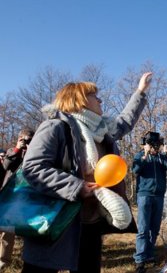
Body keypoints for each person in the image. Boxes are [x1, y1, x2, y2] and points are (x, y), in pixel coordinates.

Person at [20, 72, 152, 273]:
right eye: (94, 96)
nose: (100, 99)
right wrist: (77, 186)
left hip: (90, 222)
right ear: (79, 100)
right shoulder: (55, 127)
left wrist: (140, 92)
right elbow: (33, 168)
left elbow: (124, 122)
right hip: (55, 221)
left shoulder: (101, 131)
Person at [132, 131, 167, 273]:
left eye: (157, 145)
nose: (155, 148)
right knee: (143, 228)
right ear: (147, 145)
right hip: (145, 195)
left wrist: (166, 154)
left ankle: (149, 255)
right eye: (152, 145)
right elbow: (136, 170)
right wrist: (145, 155)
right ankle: (140, 259)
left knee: (154, 229)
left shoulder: (161, 158)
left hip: (159, 196)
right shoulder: (140, 156)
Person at [0, 129, 34, 269]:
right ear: (19, 139)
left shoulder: (35, 153)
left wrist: (32, 150)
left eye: (30, 140)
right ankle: (3, 261)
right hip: (7, 194)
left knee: (11, 232)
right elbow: (5, 166)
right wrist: (17, 150)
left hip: (22, 198)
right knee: (4, 230)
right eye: (24, 139)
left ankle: (5, 261)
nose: (26, 142)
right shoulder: (11, 152)